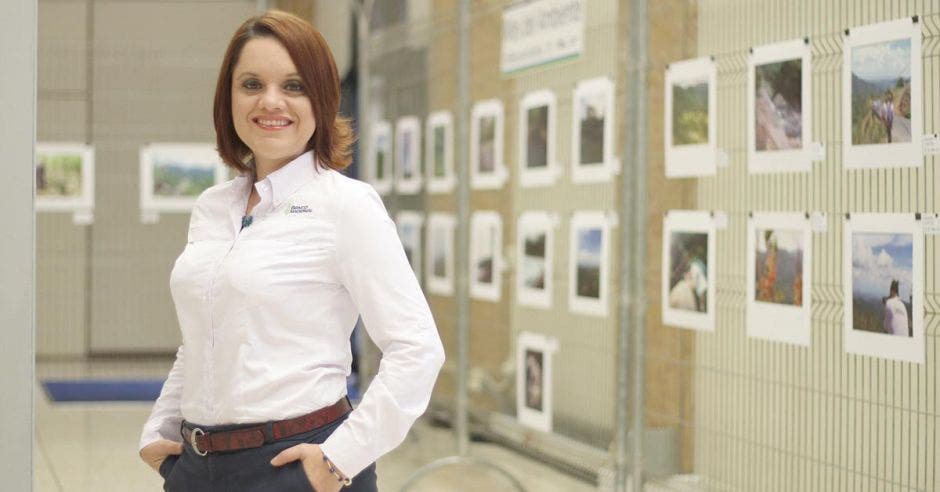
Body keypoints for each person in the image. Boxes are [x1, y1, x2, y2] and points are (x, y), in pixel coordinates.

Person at [138, 11, 445, 491]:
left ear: (322, 98)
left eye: (294, 86)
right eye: (252, 84)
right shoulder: (212, 207)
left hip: (297, 467)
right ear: (229, 99)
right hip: (197, 468)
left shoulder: (345, 205)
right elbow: (201, 337)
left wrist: (340, 459)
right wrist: (158, 431)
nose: (271, 101)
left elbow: (418, 349)